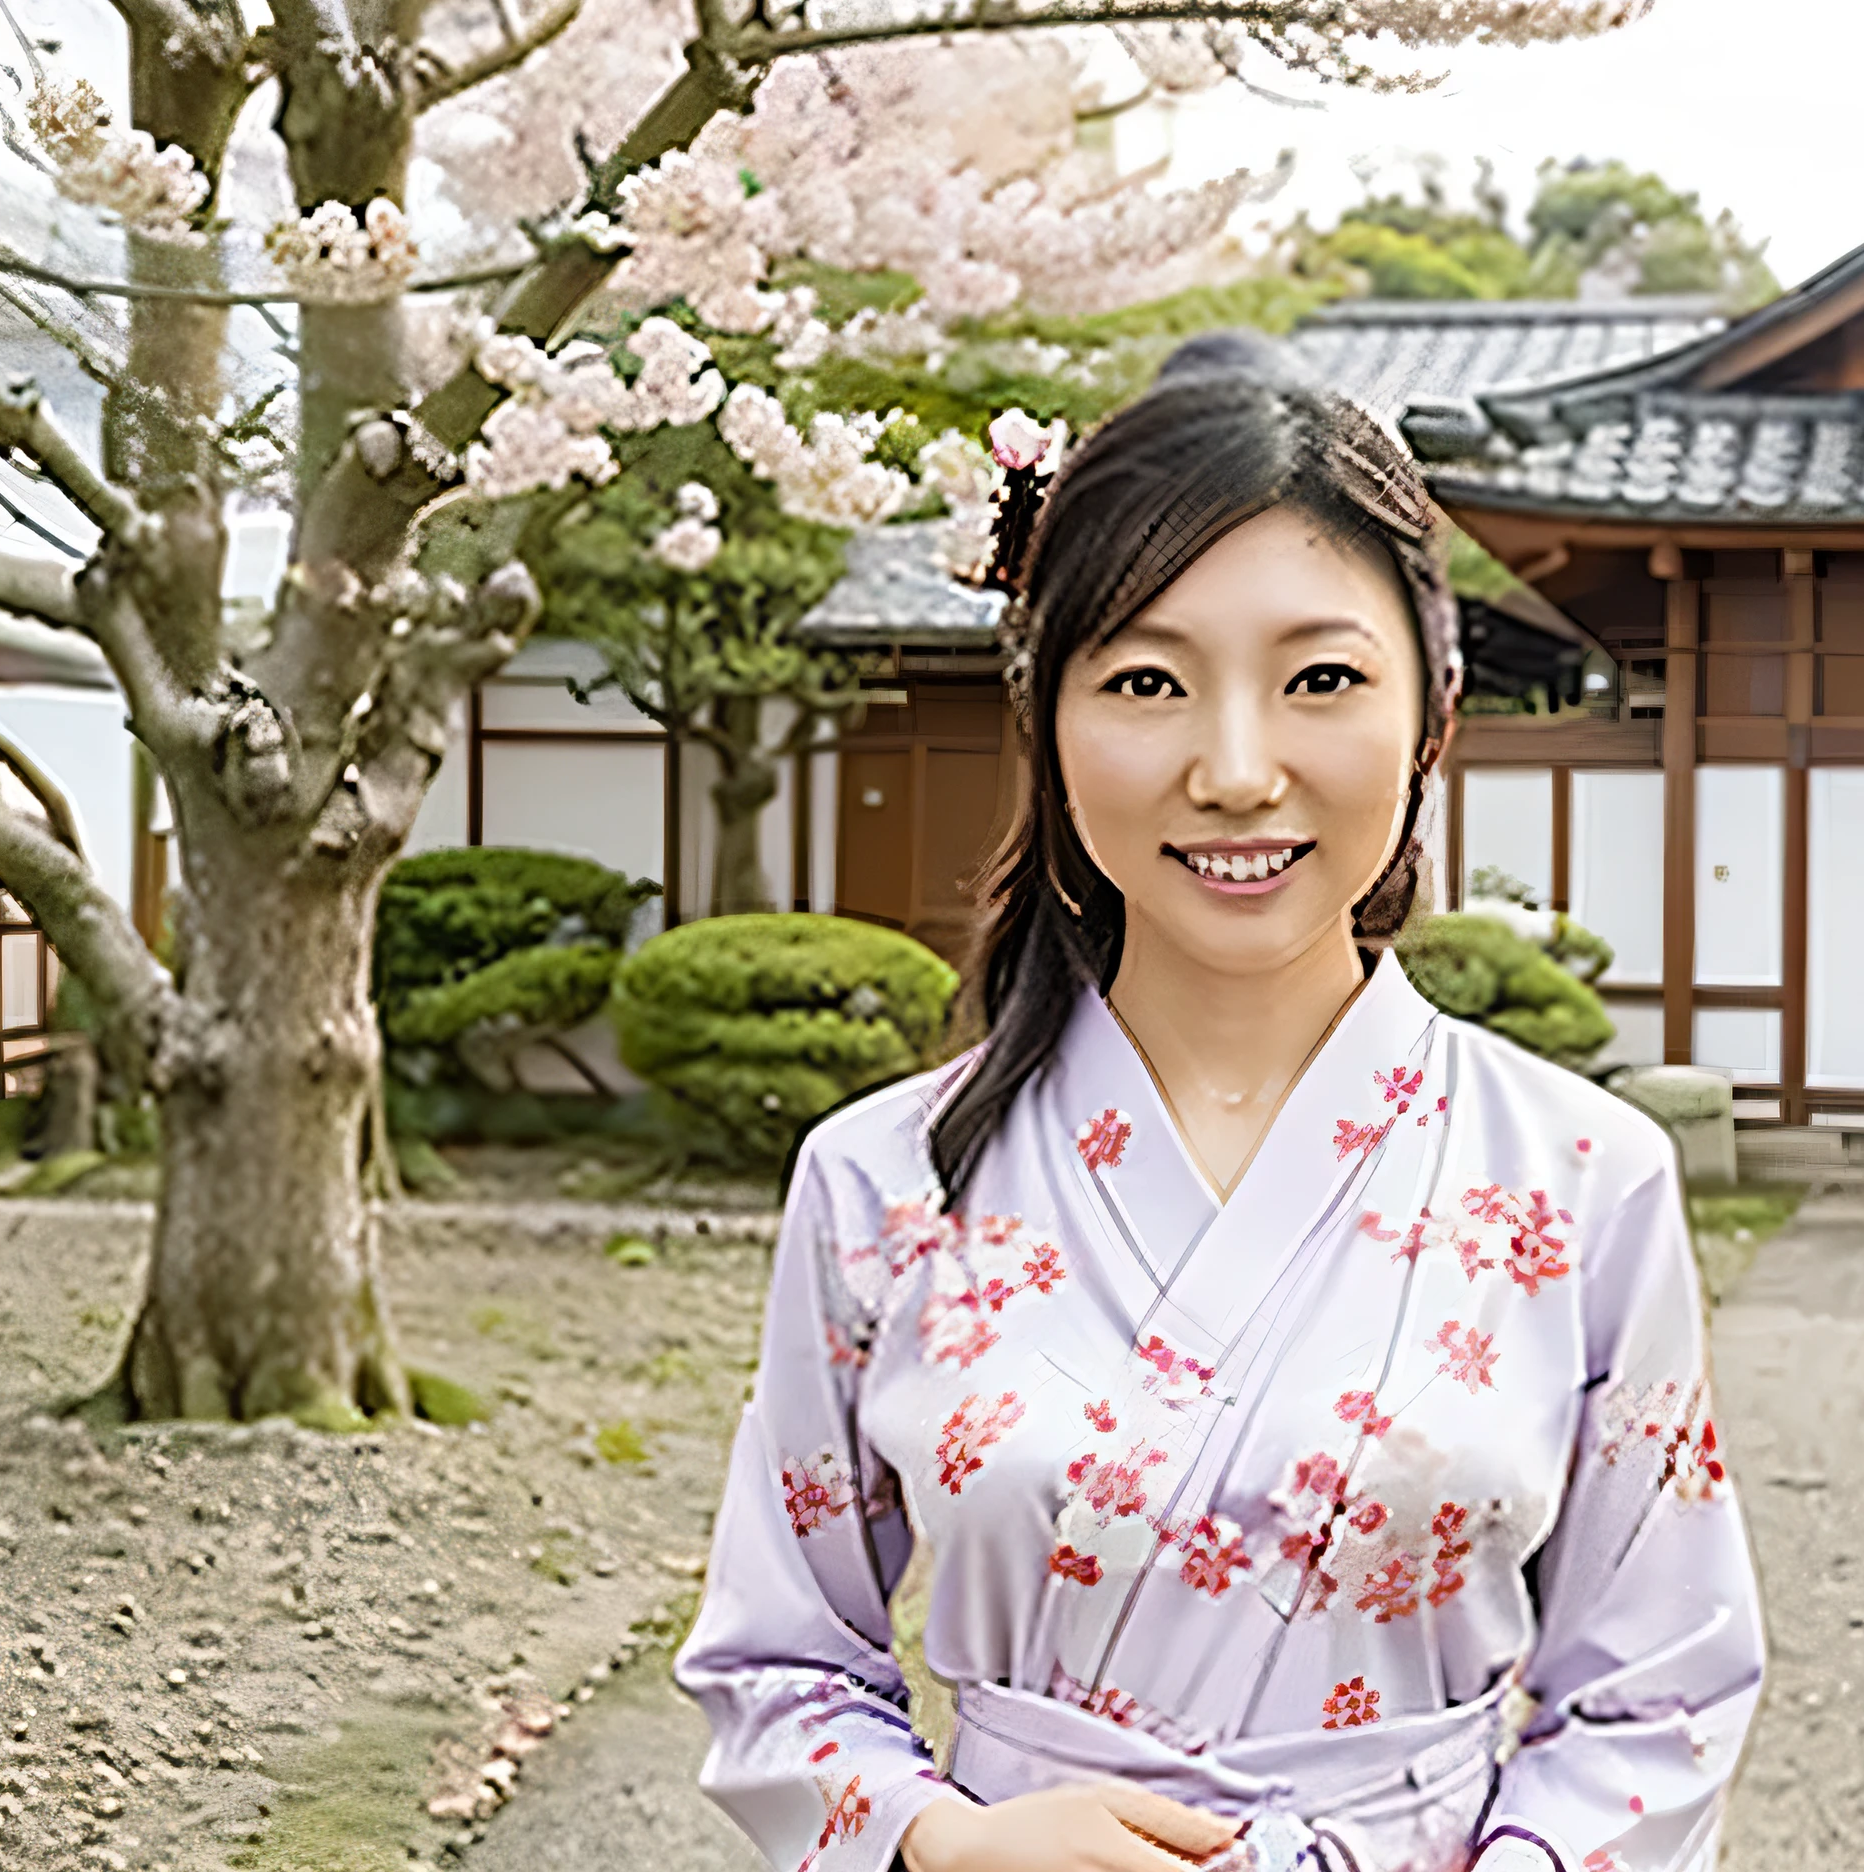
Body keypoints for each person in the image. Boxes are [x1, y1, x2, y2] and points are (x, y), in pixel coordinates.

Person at [674, 335, 1765, 1872]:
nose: (1238, 769)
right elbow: (778, 1665)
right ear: (1047, 721)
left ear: (1433, 713)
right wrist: (938, 1840)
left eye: (1320, 678)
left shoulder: (1584, 1181)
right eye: (1145, 681)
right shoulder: (883, 1179)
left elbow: (1660, 1694)